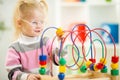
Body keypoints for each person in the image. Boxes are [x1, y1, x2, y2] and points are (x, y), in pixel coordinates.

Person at [5, 0, 66, 80]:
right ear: (20, 23)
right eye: (34, 22)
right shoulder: (14, 48)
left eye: (42, 22)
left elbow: (58, 60)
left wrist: (61, 44)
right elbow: (12, 72)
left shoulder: (46, 42)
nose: (39, 26)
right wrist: (26, 77)